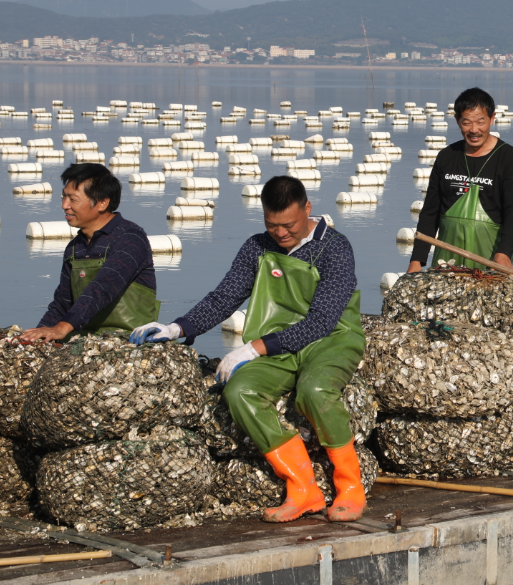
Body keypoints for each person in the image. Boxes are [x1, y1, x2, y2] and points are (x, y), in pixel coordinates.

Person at [129, 176, 365, 523]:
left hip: (331, 340)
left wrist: (252, 348)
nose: (280, 233)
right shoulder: (257, 247)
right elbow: (225, 297)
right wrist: (176, 328)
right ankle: (303, 489)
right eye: (272, 225)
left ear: (308, 209)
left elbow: (321, 322)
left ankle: (350, 487)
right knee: (239, 391)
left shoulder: (335, 247)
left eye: (289, 225)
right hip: (279, 346)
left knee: (314, 390)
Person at [19, 163, 159, 344]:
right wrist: (35, 336)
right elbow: (62, 304)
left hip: (130, 338)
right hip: (84, 338)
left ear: (102, 202)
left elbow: (103, 287)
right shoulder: (74, 247)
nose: (64, 205)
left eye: (73, 199)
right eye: (63, 197)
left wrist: (63, 327)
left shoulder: (130, 238)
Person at [408, 87, 513, 271]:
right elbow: (430, 212)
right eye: (466, 123)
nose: (474, 130)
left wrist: (504, 253)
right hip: (446, 263)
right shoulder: (447, 157)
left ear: (492, 119)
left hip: (490, 261)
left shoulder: (509, 159)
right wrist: (417, 261)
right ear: (457, 120)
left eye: (481, 122)